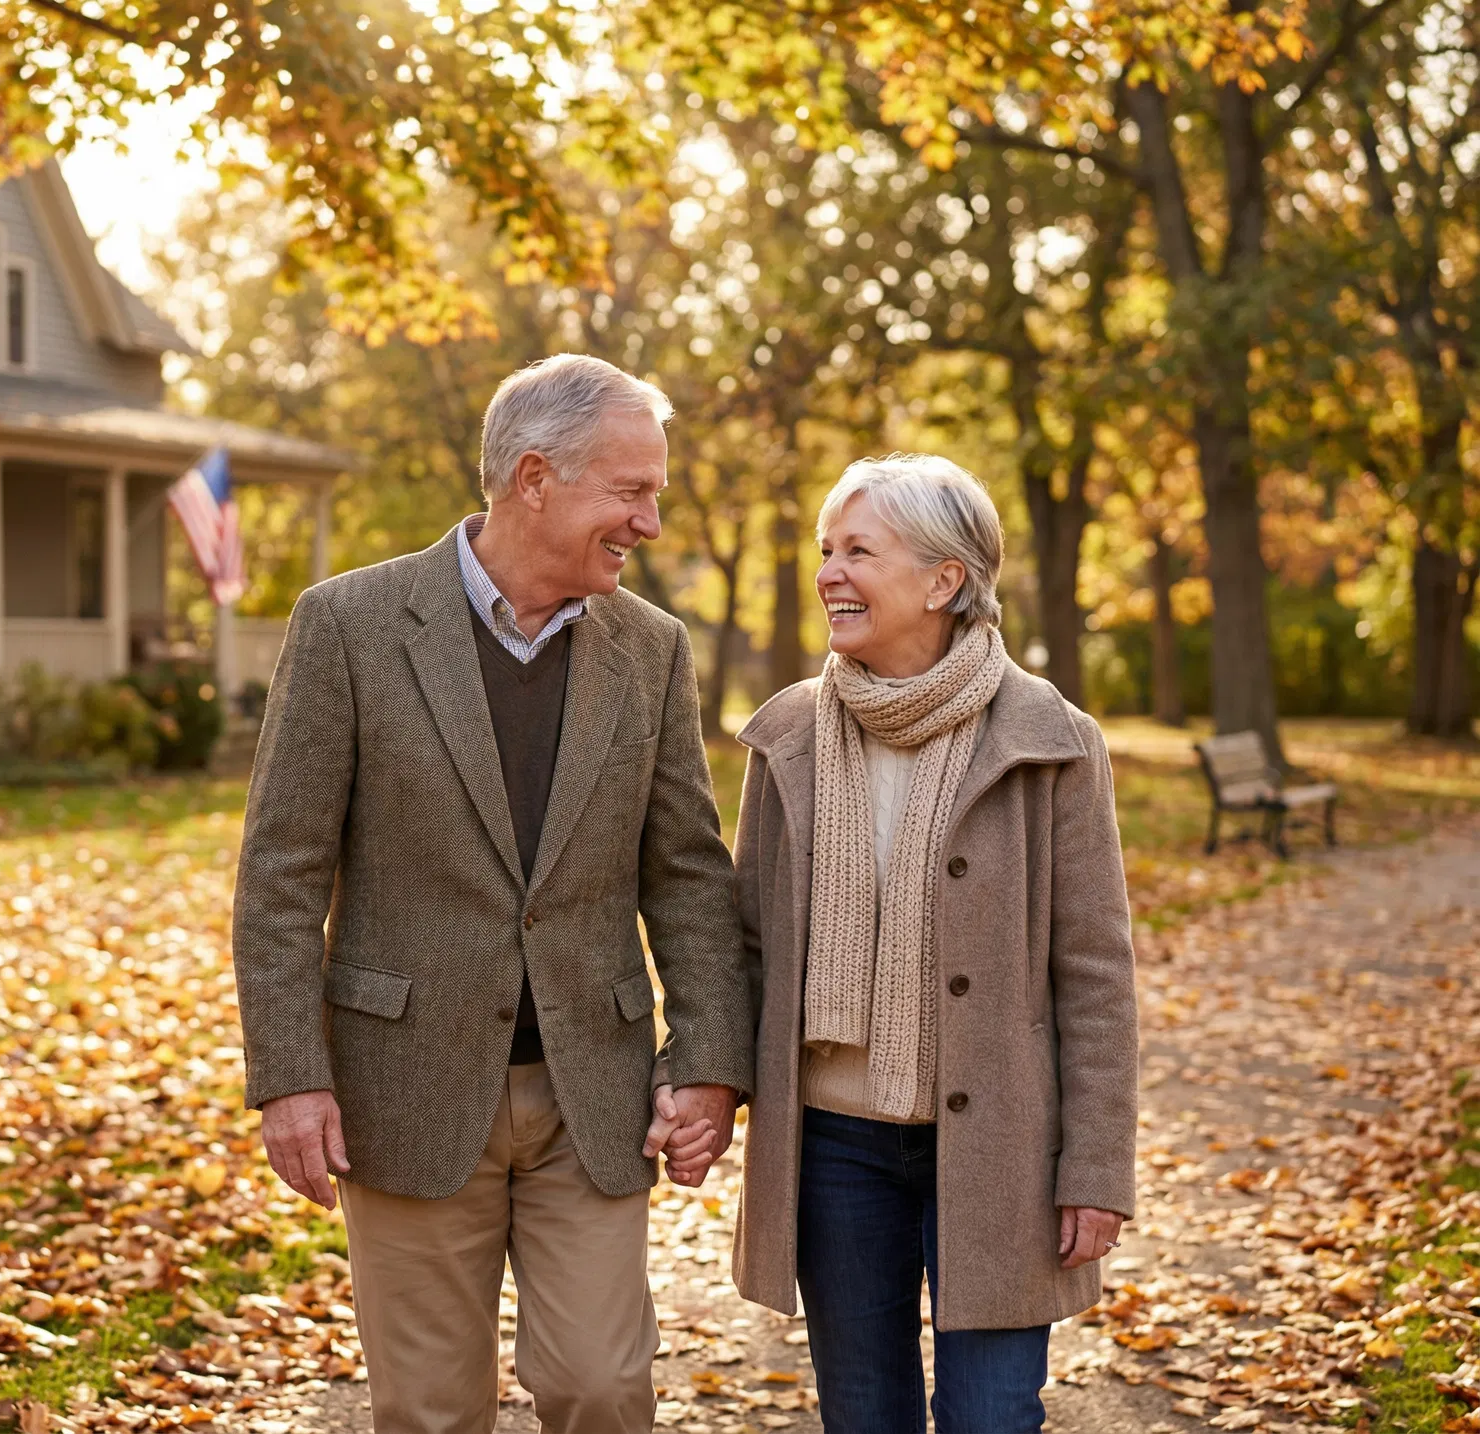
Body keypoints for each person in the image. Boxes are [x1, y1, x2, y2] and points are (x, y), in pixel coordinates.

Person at [232, 354, 754, 1434]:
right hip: (403, 1091)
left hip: (590, 1095)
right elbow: (281, 874)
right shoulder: (349, 626)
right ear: (533, 478)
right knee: (429, 1411)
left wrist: (708, 1065)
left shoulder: (650, 650)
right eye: (632, 489)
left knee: (602, 1388)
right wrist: (290, 1076)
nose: (649, 521)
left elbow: (689, 873)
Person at [727, 454, 1138, 1433]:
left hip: (1002, 1148)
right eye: (825, 549)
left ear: (945, 579)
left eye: (858, 550)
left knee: (993, 1419)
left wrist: (1096, 1166)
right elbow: (742, 947)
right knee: (862, 1416)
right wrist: (701, 1085)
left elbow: (1095, 973)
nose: (828, 571)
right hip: (834, 1146)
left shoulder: (1053, 739)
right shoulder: (786, 735)